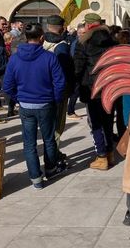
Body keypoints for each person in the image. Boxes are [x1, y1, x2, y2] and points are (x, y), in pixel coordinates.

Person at [2, 23, 66, 189]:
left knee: (29, 143)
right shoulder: (49, 57)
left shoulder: (15, 58)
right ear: (42, 38)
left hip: (26, 105)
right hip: (45, 103)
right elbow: (60, 82)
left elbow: (7, 85)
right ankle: (50, 169)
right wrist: (56, 99)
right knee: (49, 139)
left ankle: (35, 178)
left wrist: (19, 99)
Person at [74, 13, 117, 170]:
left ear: (87, 25)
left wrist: (76, 85)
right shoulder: (112, 40)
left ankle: (101, 156)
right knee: (108, 120)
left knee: (95, 123)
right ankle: (110, 152)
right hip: (110, 86)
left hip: (92, 88)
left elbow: (78, 68)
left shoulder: (83, 42)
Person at [42, 15, 75, 160]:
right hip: (58, 91)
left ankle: (51, 152)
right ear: (61, 28)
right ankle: (52, 155)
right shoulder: (61, 46)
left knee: (47, 125)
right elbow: (66, 71)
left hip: (42, 89)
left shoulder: (40, 42)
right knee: (57, 126)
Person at [67, 23, 85, 120]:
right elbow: (74, 57)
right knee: (75, 92)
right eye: (81, 33)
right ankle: (70, 111)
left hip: (78, 71)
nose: (83, 34)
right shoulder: (77, 43)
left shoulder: (79, 42)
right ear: (78, 33)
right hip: (76, 71)